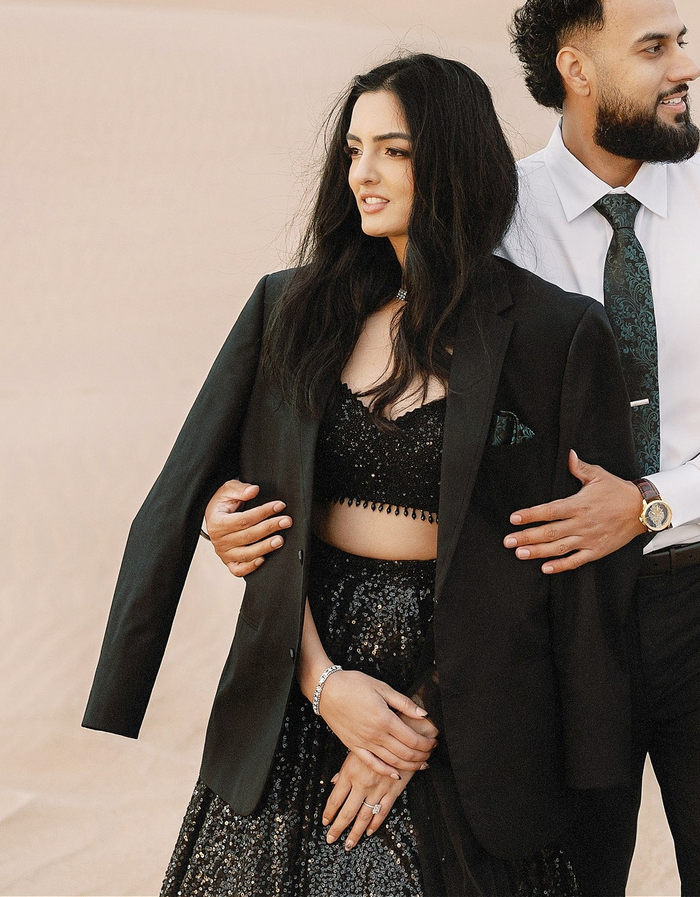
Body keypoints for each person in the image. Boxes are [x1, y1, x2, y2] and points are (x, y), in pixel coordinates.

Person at [205, 0, 700, 895]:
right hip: (544, 633)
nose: (686, 68)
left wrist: (652, 505)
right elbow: (363, 409)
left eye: (682, 43)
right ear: (577, 71)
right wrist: (240, 504)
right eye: (655, 47)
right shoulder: (488, 218)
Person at [85, 53, 647, 896]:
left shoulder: (556, 333)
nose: (363, 174)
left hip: (480, 701)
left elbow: (571, 572)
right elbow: (215, 491)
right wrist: (325, 684)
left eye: (393, 150)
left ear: (453, 162)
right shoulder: (289, 307)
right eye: (353, 150)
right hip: (301, 677)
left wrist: (412, 730)